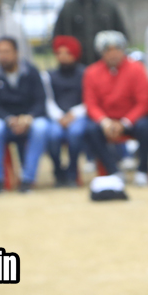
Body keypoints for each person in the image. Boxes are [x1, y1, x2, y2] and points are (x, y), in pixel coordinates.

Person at [0, 37, 50, 192]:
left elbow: (41, 101)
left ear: (16, 53)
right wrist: (8, 119)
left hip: (29, 120)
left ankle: (27, 179)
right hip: (4, 122)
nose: (2, 56)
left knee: (41, 127)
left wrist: (29, 117)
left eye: (6, 52)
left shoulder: (31, 71)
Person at [83, 30, 148, 186]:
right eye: (108, 50)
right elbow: (91, 104)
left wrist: (125, 122)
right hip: (106, 120)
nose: (113, 54)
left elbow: (144, 102)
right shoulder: (91, 72)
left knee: (145, 126)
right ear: (101, 52)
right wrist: (106, 122)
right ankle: (113, 171)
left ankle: (143, 170)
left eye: (117, 49)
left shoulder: (137, 69)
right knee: (90, 129)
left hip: (131, 119)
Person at [52, 0, 128, 65]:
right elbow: (57, 36)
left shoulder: (108, 6)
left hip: (104, 63)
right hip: (77, 64)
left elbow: (122, 35)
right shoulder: (68, 8)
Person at [44, 35, 88, 186]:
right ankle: (58, 171)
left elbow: (89, 100)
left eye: (67, 53)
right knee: (53, 135)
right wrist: (59, 116)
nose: (62, 56)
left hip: (79, 116)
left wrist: (73, 114)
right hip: (57, 117)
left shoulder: (85, 73)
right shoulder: (48, 75)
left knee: (75, 133)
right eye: (59, 53)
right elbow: (48, 100)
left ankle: (72, 172)